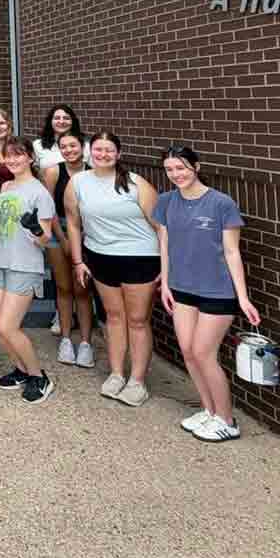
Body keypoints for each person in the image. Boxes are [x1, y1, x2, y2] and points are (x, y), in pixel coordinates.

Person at [153, 145, 261, 442]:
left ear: (196, 167)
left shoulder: (221, 203)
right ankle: (209, 410)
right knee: (189, 352)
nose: (176, 174)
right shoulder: (165, 202)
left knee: (204, 353)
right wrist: (166, 283)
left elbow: (232, 252)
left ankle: (227, 420)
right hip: (181, 289)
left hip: (217, 291)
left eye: (181, 168)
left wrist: (242, 298)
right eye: (170, 169)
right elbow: (164, 245)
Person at [64, 131, 160, 407]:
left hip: (140, 257)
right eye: (98, 149)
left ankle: (137, 381)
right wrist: (78, 261)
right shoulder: (78, 182)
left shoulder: (136, 183)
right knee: (114, 317)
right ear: (89, 152)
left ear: (118, 154)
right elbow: (73, 223)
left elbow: (160, 227)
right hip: (100, 257)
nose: (103, 155)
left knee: (138, 320)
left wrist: (168, 267)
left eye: (109, 150)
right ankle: (117, 373)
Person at [0, 138, 57, 404]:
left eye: (19, 155)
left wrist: (35, 228)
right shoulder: (5, 186)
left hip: (24, 265)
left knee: (8, 326)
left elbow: (45, 239)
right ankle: (21, 369)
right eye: (8, 155)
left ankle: (39, 376)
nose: (13, 160)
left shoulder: (39, 192)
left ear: (30, 158)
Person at [42, 132, 96, 368]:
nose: (69, 150)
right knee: (63, 287)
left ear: (82, 147)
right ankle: (65, 339)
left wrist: (82, 234)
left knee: (82, 289)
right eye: (63, 146)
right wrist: (63, 238)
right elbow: (48, 207)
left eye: (73, 145)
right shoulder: (54, 172)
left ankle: (85, 343)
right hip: (59, 231)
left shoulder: (92, 172)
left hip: (87, 231)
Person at [33, 103, 89, 169]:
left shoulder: (86, 146)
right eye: (57, 118)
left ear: (73, 121)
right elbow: (34, 170)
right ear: (50, 121)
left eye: (66, 118)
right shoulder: (38, 145)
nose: (61, 121)